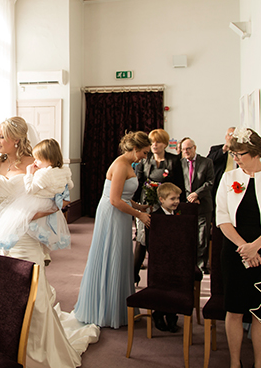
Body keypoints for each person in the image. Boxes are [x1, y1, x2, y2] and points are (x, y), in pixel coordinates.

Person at [0, 116, 99, 368]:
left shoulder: (35, 164)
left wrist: (25, 216)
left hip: (26, 238)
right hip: (1, 239)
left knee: (31, 293)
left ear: (16, 140)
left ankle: (35, 352)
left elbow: (58, 202)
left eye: (1, 136)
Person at [215, 128, 261, 368]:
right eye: (234, 154)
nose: (235, 159)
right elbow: (222, 218)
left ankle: (259, 363)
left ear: (256, 153)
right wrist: (244, 248)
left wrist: (255, 247)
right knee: (234, 308)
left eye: (240, 154)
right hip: (235, 249)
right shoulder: (229, 178)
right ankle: (235, 363)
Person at [74, 131, 152, 329]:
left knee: (120, 255)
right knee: (111, 254)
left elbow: (124, 196)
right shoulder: (120, 165)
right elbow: (115, 200)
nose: (145, 157)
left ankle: (118, 306)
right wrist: (139, 215)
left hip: (121, 214)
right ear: (135, 149)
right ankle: (105, 309)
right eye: (144, 152)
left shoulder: (128, 164)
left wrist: (139, 206)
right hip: (112, 214)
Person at [0, 137, 72, 252]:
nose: (35, 161)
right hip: (38, 203)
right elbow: (69, 186)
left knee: (18, 223)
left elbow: (30, 189)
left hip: (34, 203)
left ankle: (7, 242)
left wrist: (29, 173)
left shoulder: (41, 172)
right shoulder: (63, 170)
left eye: (2, 137)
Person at [133, 129, 183, 285]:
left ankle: (161, 275)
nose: (154, 145)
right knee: (141, 239)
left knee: (161, 240)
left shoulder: (174, 160)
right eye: (152, 142)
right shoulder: (145, 160)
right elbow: (138, 183)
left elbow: (179, 184)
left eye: (158, 142)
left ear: (165, 144)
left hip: (166, 206)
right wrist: (135, 206)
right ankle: (134, 275)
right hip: (146, 204)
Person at [150, 182, 183, 333]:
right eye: (172, 199)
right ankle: (158, 314)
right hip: (160, 261)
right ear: (162, 200)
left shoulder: (179, 215)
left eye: (178, 198)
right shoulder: (155, 217)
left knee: (174, 288)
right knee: (162, 288)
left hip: (176, 259)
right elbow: (152, 242)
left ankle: (171, 316)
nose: (176, 201)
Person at [179, 137, 214, 273]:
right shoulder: (180, 163)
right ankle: (189, 264)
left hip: (203, 205)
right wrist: (190, 198)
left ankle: (201, 266)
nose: (186, 151)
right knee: (187, 236)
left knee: (202, 237)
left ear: (194, 148)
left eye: (188, 148)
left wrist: (197, 195)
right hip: (186, 205)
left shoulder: (207, 162)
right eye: (183, 149)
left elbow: (210, 182)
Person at [207, 126, 236, 202]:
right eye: (230, 134)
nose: (232, 137)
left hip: (236, 180)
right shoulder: (216, 149)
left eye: (235, 135)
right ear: (226, 137)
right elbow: (209, 161)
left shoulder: (240, 151)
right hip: (220, 181)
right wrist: (223, 150)